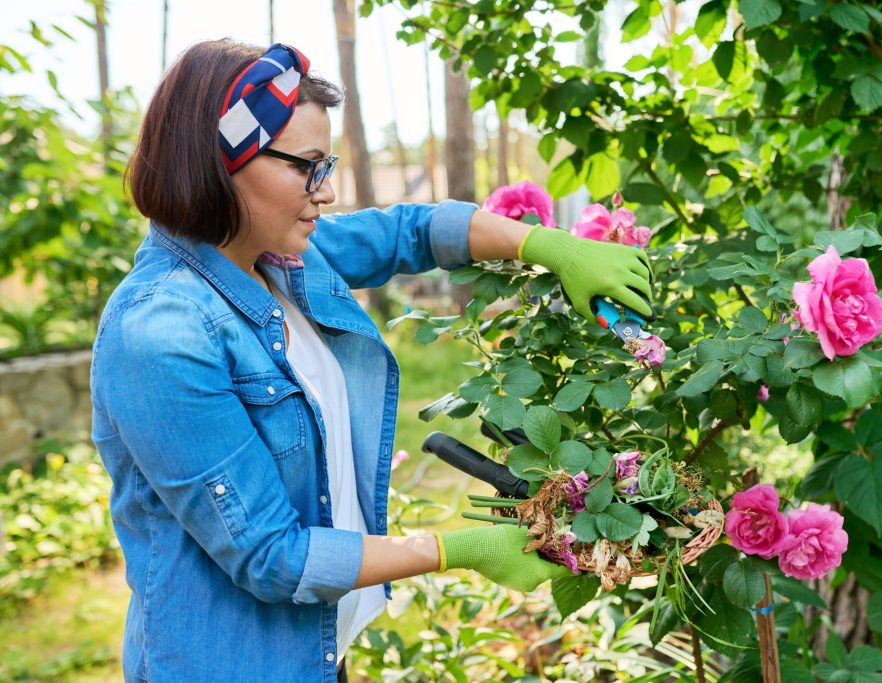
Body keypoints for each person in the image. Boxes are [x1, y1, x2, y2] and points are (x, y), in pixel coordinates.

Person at [90, 39, 654, 683]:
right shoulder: (160, 334)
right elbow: (272, 556)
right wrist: (456, 549)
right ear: (224, 162)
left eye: (324, 164)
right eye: (305, 166)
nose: (324, 191)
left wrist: (548, 246)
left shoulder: (277, 257)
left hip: (315, 654)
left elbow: (412, 232)